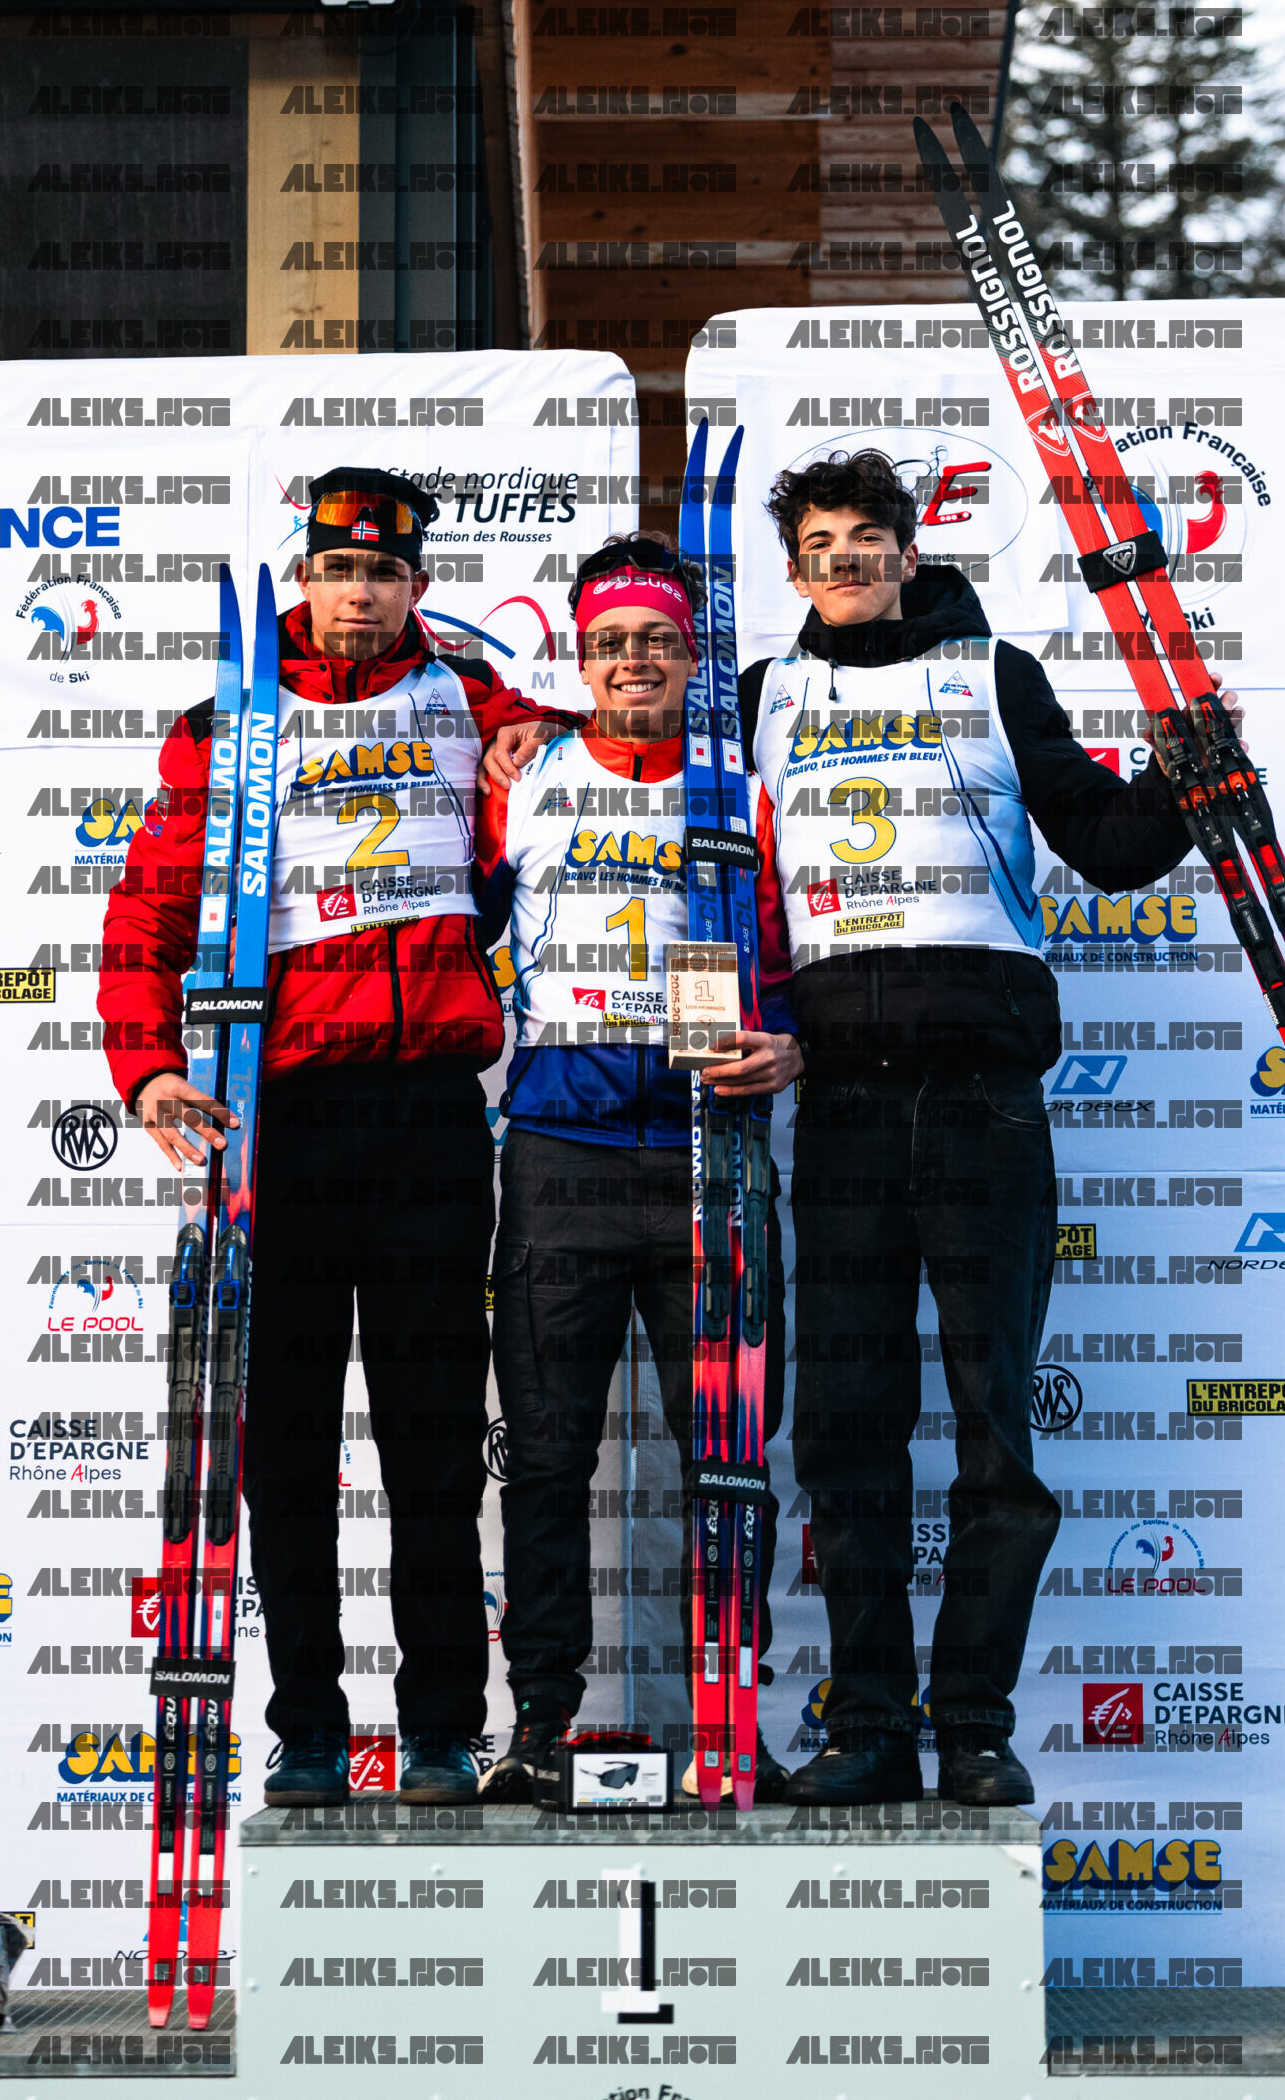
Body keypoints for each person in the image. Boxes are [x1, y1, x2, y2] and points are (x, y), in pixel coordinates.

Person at [743, 449, 1218, 1808]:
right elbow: (675, 824)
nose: (844, 557)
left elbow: (1105, 843)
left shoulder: (994, 673)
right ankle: (867, 1727)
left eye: (866, 536)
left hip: (982, 1103)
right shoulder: (762, 696)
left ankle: (972, 1726)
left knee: (993, 1431)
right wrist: (520, 740)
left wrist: (1184, 776)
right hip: (838, 1104)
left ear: (909, 552)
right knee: (844, 1430)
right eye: (819, 542)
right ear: (794, 569)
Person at [98, 467, 562, 1808]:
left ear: (419, 585)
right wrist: (147, 1069)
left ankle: (440, 1731)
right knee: (286, 1448)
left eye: (384, 572)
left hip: (427, 1117)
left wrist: (540, 741)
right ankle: (305, 1729)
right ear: (303, 577)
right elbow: (148, 909)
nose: (359, 592)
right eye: (337, 568)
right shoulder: (227, 722)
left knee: (433, 1447)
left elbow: (597, 773)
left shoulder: (481, 705)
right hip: (279, 1122)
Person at [473, 533, 803, 1807]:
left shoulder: (741, 785)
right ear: (580, 654)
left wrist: (794, 1039)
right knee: (547, 1454)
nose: (634, 662)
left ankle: (732, 1721)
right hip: (560, 1151)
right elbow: (454, 923)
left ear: (691, 655)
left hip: (710, 1151)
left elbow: (792, 949)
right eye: (611, 641)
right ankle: (538, 1722)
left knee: (728, 1458)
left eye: (657, 640)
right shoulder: (526, 775)